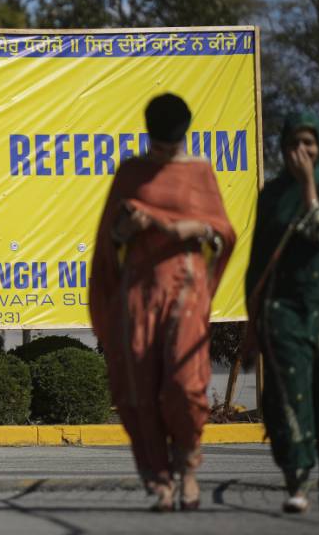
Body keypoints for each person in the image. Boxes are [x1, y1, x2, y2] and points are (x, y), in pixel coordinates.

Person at [89, 93, 236, 511]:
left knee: (184, 384)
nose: (167, 152)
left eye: (172, 143)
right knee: (136, 384)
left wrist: (197, 228)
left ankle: (187, 466)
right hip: (140, 290)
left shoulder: (199, 171)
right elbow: (107, 240)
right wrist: (125, 228)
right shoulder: (132, 172)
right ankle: (158, 477)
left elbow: (222, 231)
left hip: (186, 287)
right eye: (160, 143)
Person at [245, 111, 319, 514]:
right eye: (292, 145)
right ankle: (295, 480)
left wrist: (308, 187)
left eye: (309, 144)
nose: (300, 153)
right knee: (289, 394)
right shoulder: (271, 196)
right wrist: (251, 323)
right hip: (281, 310)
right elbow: (257, 262)